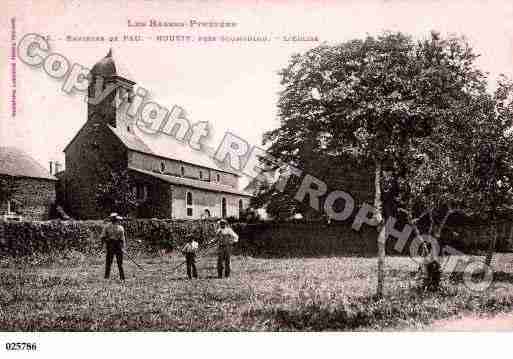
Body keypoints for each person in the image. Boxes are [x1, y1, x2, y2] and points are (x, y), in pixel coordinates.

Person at [100, 213, 126, 281]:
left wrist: (123, 248)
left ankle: (122, 277)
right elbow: (103, 237)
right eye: (114, 219)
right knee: (109, 262)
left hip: (118, 246)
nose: (115, 220)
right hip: (110, 245)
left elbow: (122, 239)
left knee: (120, 263)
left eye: (116, 219)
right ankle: (106, 277)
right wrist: (104, 245)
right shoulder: (107, 227)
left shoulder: (120, 228)